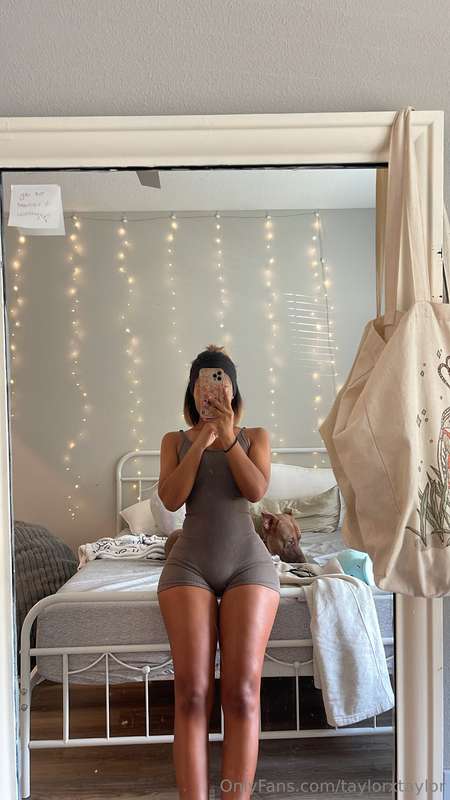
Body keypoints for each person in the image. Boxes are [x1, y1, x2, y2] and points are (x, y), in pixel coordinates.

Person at [157, 344, 281, 800]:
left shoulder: (255, 436)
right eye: (202, 382)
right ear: (192, 390)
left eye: (219, 380)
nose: (210, 390)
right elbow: (171, 499)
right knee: (191, 693)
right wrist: (202, 441)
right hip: (189, 565)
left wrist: (228, 437)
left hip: (248, 563)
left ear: (232, 389)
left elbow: (256, 490)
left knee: (243, 693)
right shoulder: (174, 440)